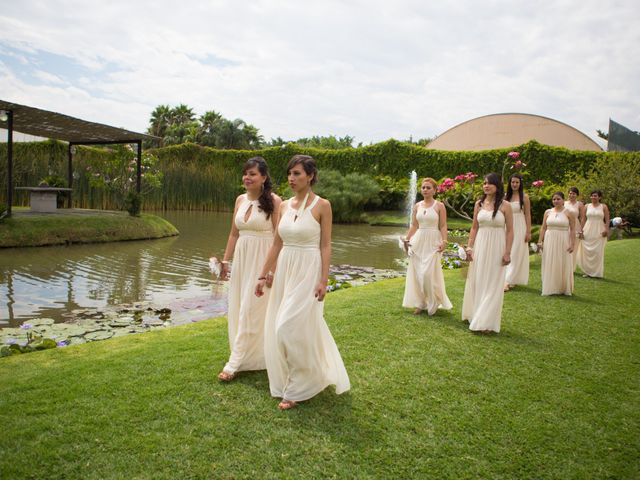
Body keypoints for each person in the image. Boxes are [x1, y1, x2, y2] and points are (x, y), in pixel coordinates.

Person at [255, 154, 350, 410]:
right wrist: (263, 275)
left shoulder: (323, 205)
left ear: (310, 176)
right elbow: (276, 242)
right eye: (289, 173)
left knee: (287, 326)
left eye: (297, 173)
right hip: (286, 268)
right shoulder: (283, 206)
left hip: (309, 269)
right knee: (286, 326)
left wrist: (323, 279)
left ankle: (298, 387)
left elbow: (326, 245)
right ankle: (302, 374)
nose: (291, 178)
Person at [217, 157, 282, 382]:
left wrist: (272, 270)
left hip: (262, 260)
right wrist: (225, 263)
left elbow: (278, 238)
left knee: (250, 309)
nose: (247, 177)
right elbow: (234, 234)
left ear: (264, 177)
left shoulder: (274, 201)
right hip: (242, 260)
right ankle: (252, 357)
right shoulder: (240, 200)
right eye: (245, 173)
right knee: (237, 306)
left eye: (253, 174)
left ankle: (233, 363)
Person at [462, 173, 514, 333]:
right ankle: (476, 314)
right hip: (481, 245)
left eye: (489, 183)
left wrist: (507, 252)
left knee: (493, 283)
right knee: (479, 280)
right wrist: (469, 248)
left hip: (497, 246)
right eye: (484, 183)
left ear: (497, 186)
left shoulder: (506, 206)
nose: (486, 186)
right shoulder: (479, 203)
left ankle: (487, 322)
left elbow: (510, 231)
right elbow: (474, 227)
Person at [401, 177, 452, 315]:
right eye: (423, 187)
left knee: (428, 274)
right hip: (418, 242)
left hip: (433, 242)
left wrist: (444, 241)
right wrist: (407, 239)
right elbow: (414, 225)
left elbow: (442, 225)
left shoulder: (439, 206)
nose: (425, 190)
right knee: (417, 274)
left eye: (428, 188)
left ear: (434, 190)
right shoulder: (417, 206)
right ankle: (420, 303)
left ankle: (433, 301)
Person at [538, 192, 575, 296]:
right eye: (554, 199)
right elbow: (543, 227)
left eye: (558, 199)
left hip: (563, 239)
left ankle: (562, 288)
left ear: (563, 200)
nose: (556, 201)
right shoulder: (548, 212)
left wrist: (572, 244)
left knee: (562, 262)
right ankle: (550, 287)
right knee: (549, 261)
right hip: (549, 240)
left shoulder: (569, 212)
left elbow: (572, 229)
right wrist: (540, 241)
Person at [504, 174, 532, 291]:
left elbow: (528, 214)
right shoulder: (506, 197)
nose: (514, 184)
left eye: (517, 182)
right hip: (507, 226)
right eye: (512, 182)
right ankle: (506, 277)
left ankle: (509, 280)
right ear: (509, 183)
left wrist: (528, 231)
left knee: (516, 252)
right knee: (507, 250)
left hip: (520, 226)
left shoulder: (524, 197)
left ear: (520, 184)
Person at [576, 190, 609, 278]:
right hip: (588, 229)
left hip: (599, 231)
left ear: (600, 197)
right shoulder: (587, 206)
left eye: (595, 196)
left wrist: (606, 230)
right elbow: (583, 219)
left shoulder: (604, 206)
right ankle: (588, 272)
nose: (593, 197)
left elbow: (607, 219)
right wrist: (581, 231)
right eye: (592, 196)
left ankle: (596, 273)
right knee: (587, 251)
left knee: (597, 252)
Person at [564, 186, 584, 271]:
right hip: (565, 224)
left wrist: (581, 230)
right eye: (570, 193)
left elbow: (582, 218)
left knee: (574, 245)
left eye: (574, 194)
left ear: (577, 195)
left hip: (576, 226)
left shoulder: (579, 204)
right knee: (565, 244)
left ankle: (571, 267)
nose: (571, 195)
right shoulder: (564, 203)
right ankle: (564, 265)